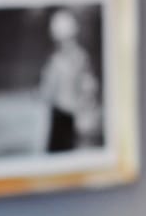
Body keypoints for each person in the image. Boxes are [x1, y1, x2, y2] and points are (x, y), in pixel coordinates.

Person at [37, 8, 100, 153]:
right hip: (62, 116)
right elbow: (47, 92)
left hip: (69, 117)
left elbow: (88, 87)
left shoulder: (74, 59)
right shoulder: (60, 59)